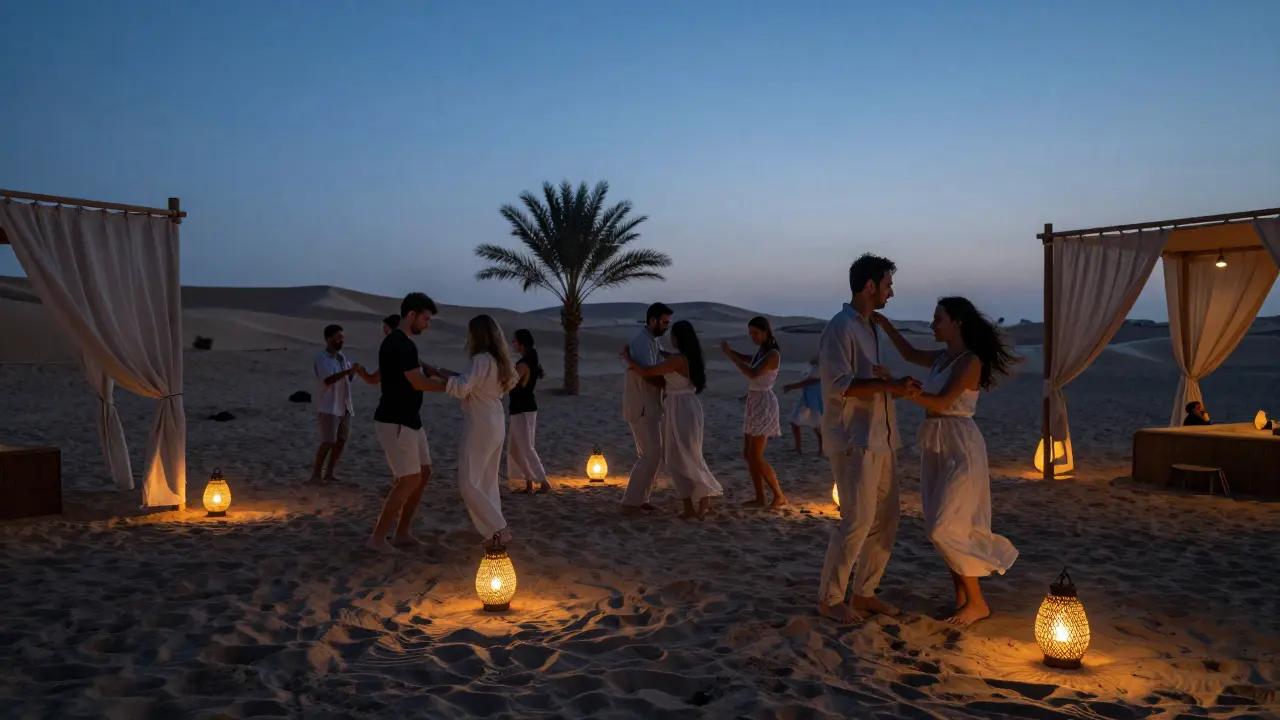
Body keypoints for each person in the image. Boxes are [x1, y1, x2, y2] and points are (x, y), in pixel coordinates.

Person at [876, 297, 1020, 626]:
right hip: (936, 444)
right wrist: (886, 328)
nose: (932, 325)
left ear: (957, 323)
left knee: (944, 526)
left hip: (960, 445)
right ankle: (961, 598)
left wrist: (904, 390)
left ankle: (978, 602)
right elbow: (910, 355)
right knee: (944, 525)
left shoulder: (969, 362)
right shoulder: (943, 358)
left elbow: (941, 402)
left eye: (938, 319)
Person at [816, 253, 922, 624]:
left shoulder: (870, 327)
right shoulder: (841, 327)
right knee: (857, 520)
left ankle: (864, 592)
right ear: (869, 286)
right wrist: (888, 384)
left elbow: (872, 381)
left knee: (888, 518)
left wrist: (893, 384)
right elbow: (838, 385)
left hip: (882, 439)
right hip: (854, 439)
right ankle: (830, 598)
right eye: (888, 285)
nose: (891, 293)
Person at [368, 292, 448, 555]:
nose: (428, 324)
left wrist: (439, 373)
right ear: (411, 314)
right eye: (425, 318)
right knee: (408, 478)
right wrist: (452, 387)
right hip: (395, 420)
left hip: (411, 419)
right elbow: (417, 381)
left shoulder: (405, 344)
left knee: (423, 473)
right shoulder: (399, 343)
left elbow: (419, 372)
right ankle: (378, 538)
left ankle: (402, 533)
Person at [623, 320, 723, 519]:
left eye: (674, 335)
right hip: (685, 407)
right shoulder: (688, 358)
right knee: (686, 454)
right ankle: (694, 503)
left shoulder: (677, 360)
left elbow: (648, 372)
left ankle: (701, 498)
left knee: (681, 456)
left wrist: (629, 358)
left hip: (681, 409)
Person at [437, 315, 519, 544]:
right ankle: (493, 532)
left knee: (469, 481)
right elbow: (501, 382)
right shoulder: (499, 361)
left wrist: (441, 377)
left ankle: (499, 527)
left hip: (481, 422)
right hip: (496, 419)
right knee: (487, 479)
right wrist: (444, 373)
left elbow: (463, 388)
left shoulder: (481, 360)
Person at [721, 316, 786, 508]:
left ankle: (778, 495)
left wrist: (730, 356)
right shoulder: (763, 352)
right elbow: (750, 360)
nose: (753, 337)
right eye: (751, 334)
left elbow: (753, 372)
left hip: (764, 403)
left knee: (756, 455)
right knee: (748, 453)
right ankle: (760, 497)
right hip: (755, 401)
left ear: (766, 332)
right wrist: (731, 352)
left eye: (756, 333)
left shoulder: (772, 354)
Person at [620, 302, 673, 516]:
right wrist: (669, 385)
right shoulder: (642, 341)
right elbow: (648, 374)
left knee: (653, 454)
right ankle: (630, 502)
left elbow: (662, 361)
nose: (666, 326)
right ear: (652, 320)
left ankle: (642, 499)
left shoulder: (653, 341)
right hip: (641, 406)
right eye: (664, 322)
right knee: (649, 454)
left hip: (652, 406)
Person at [312, 324, 358, 484]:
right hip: (329, 405)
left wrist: (352, 373)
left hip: (344, 404)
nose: (342, 340)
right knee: (328, 440)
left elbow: (347, 380)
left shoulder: (342, 357)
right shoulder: (322, 359)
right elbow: (328, 379)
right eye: (339, 337)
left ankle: (329, 473)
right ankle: (316, 474)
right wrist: (347, 372)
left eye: (342, 337)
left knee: (341, 440)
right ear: (329, 339)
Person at [508, 328, 551, 494]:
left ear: (521, 343)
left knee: (526, 447)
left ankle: (543, 481)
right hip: (521, 409)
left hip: (523, 410)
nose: (513, 343)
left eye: (515, 340)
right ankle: (529, 481)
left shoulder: (523, 364)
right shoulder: (526, 362)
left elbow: (509, 384)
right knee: (515, 450)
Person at [784, 356, 824, 455]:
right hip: (808, 394)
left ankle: (821, 449)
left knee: (817, 423)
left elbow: (814, 380)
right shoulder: (815, 365)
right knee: (795, 420)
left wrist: (793, 386)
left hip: (816, 395)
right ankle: (798, 447)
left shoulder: (824, 364)